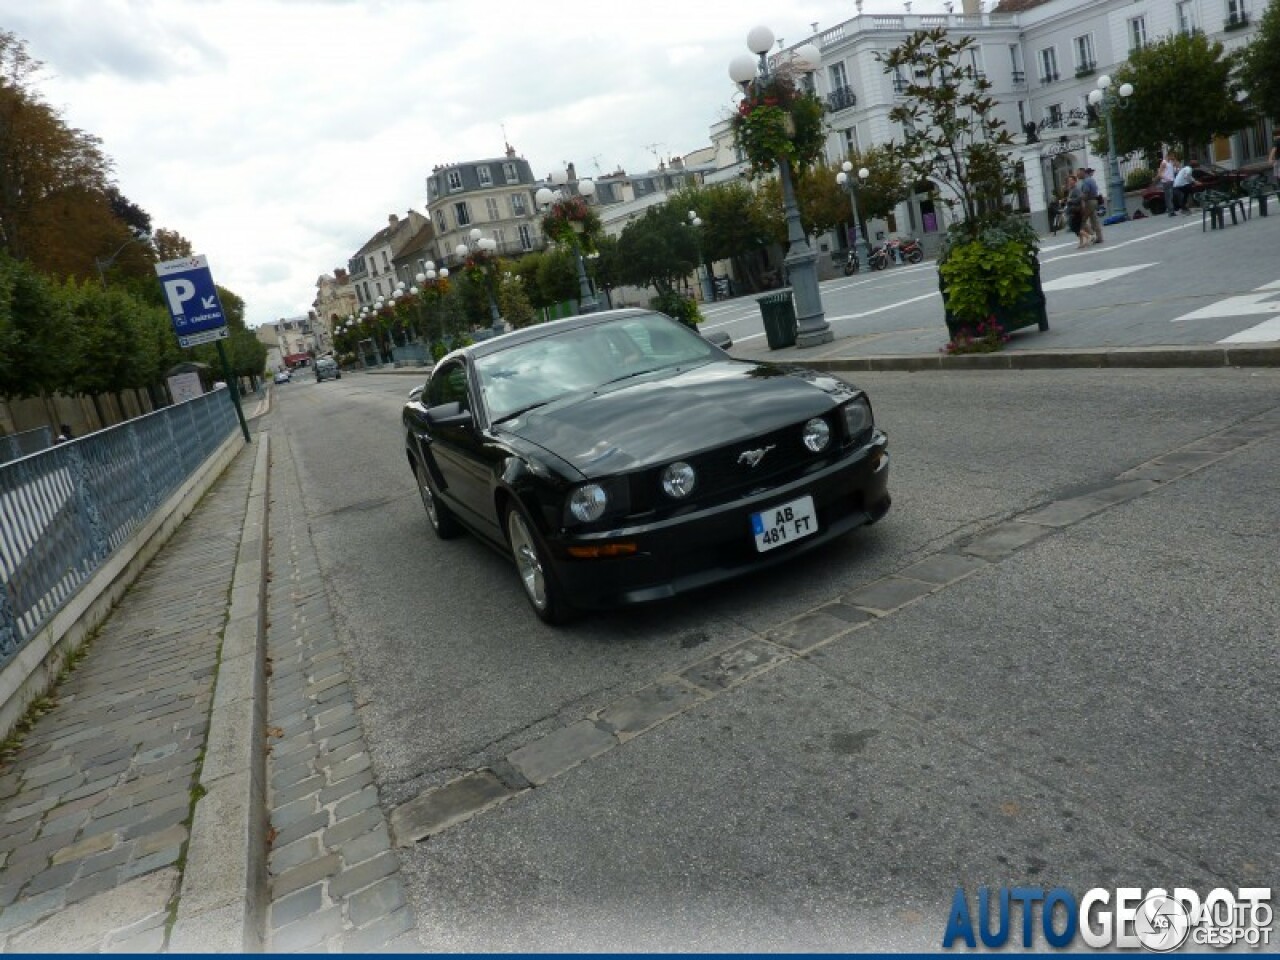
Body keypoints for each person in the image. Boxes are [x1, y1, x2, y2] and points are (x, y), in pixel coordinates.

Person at [1065, 175, 1091, 249]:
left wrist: (1070, 200)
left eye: (1071, 180)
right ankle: (1081, 243)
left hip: (1076, 211)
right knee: (1077, 228)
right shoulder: (1071, 190)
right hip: (1073, 211)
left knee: (1075, 228)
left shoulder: (1076, 189)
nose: (1069, 182)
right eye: (1068, 181)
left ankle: (1088, 236)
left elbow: (1080, 198)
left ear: (1075, 181)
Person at [1078, 167, 1102, 244]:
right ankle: (1099, 237)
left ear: (1082, 172)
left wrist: (1079, 199)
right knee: (1094, 220)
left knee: (1082, 221)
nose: (1077, 176)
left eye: (1078, 174)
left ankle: (1092, 235)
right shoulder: (1091, 180)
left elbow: (1085, 194)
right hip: (1094, 200)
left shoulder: (1086, 182)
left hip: (1089, 202)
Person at [1155, 151, 1178, 217]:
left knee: (1171, 196)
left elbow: (1178, 165)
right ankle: (1171, 211)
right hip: (1166, 182)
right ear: (1169, 155)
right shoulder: (1164, 163)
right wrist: (1167, 178)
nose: (1173, 157)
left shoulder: (1170, 162)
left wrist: (1175, 160)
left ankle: (1171, 210)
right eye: (1172, 156)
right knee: (1168, 197)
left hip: (1172, 181)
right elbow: (1159, 174)